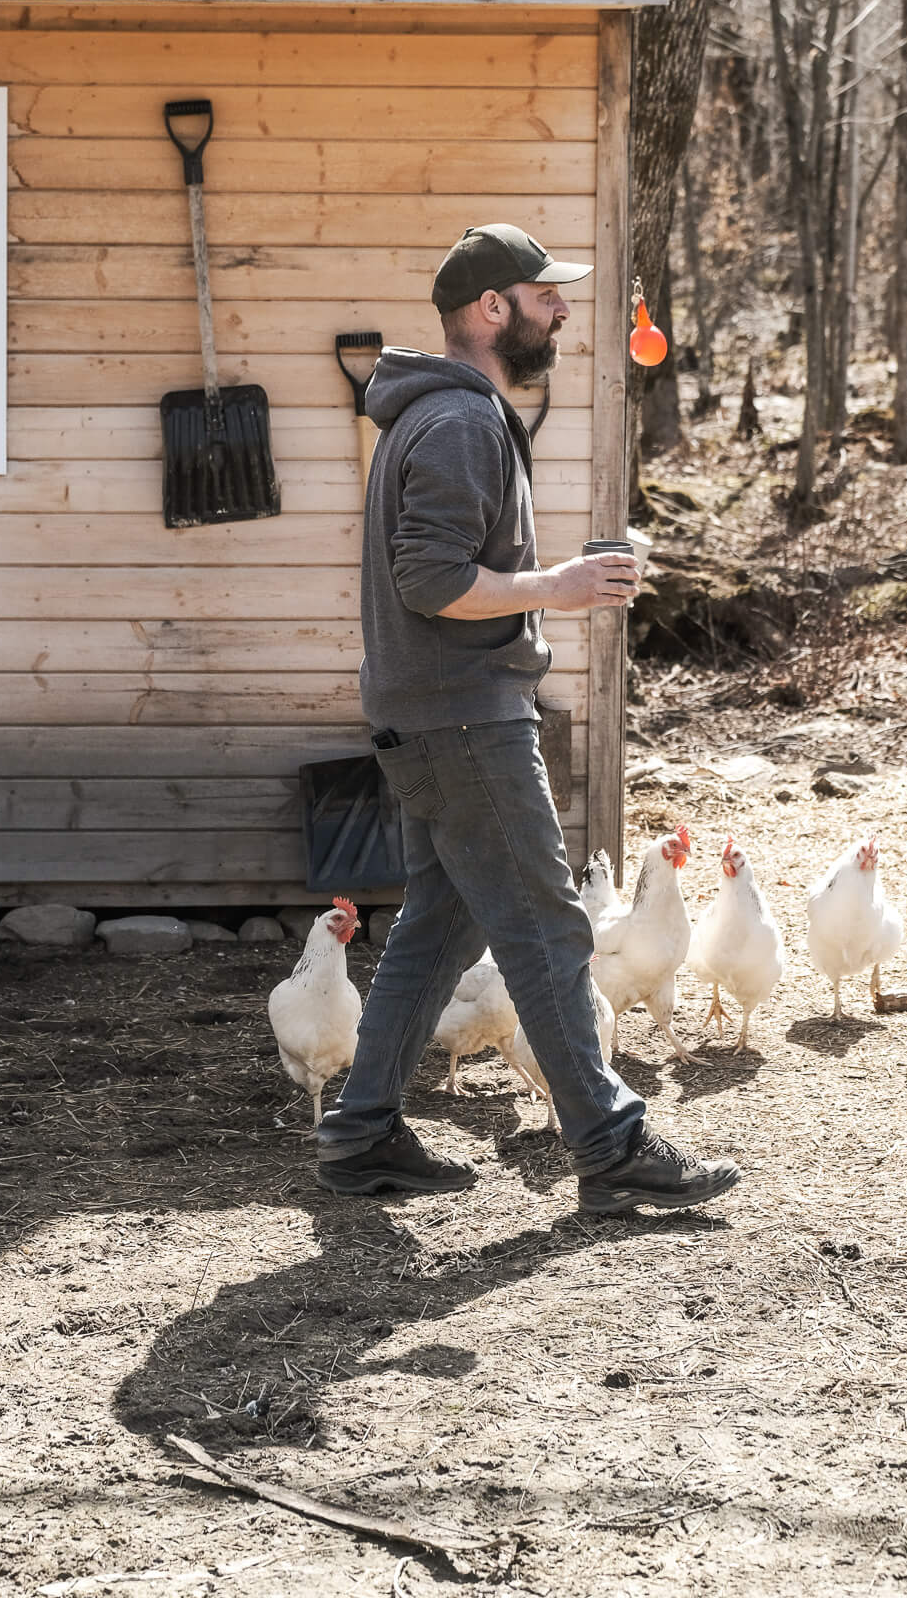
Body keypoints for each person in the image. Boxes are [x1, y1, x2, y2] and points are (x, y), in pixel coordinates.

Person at [316, 224, 741, 1215]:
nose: (559, 309)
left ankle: (358, 1130)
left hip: (429, 715)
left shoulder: (429, 416)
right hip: (463, 719)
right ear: (490, 308)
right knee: (548, 927)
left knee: (441, 920)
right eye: (542, 293)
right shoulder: (459, 424)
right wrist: (562, 583)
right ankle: (610, 1141)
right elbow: (429, 581)